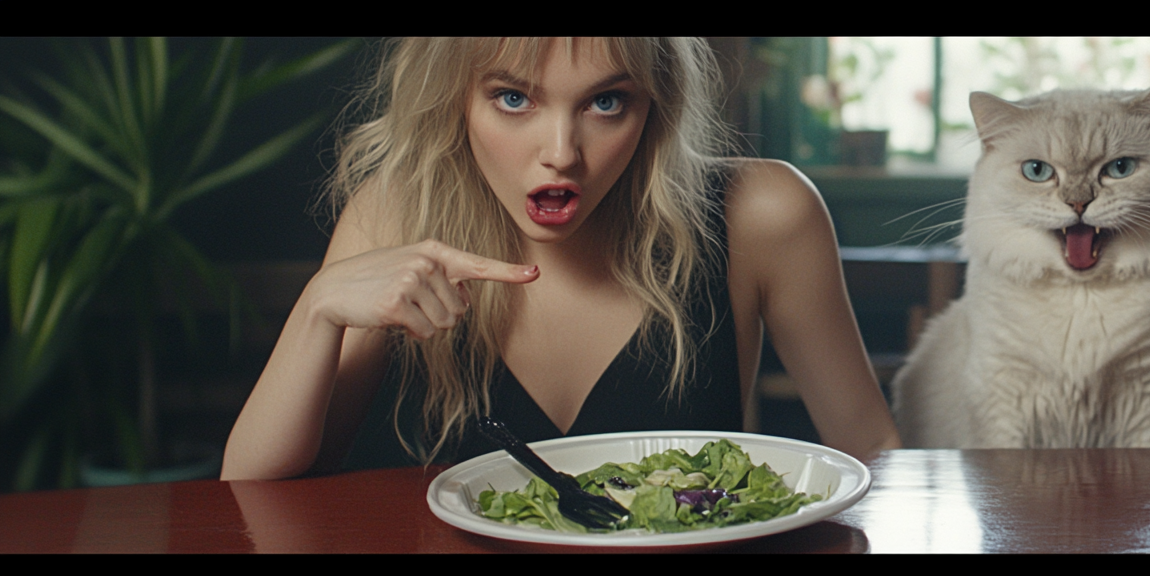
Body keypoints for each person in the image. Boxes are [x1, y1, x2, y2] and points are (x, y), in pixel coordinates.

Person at [222, 38, 901, 481]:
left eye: (607, 102)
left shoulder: (762, 214)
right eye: (513, 98)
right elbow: (249, 497)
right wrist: (317, 308)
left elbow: (878, 458)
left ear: (656, 107)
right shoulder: (396, 210)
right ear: (455, 97)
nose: (561, 153)